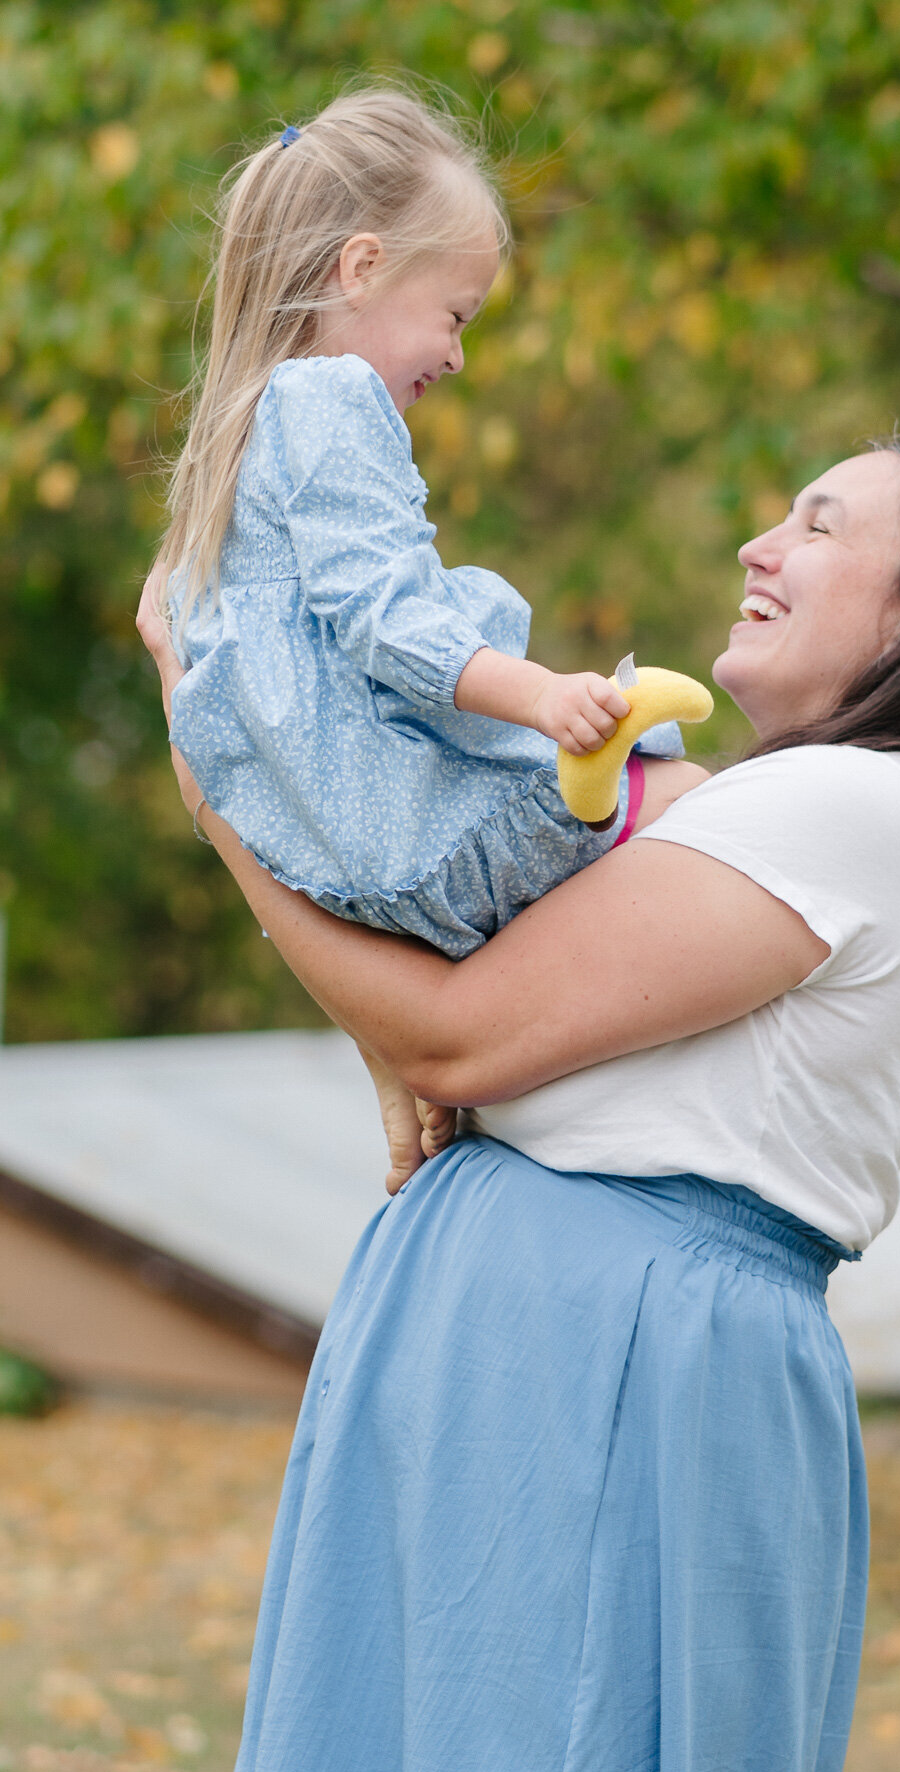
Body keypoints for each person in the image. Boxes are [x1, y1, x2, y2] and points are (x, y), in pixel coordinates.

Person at [138, 435, 900, 1772]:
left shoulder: (857, 800)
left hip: (609, 1353)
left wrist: (213, 777)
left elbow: (458, 1032)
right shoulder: (744, 802)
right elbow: (435, 988)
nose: (759, 546)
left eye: (815, 525)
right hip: (523, 1331)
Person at [159, 84, 700, 1177]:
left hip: (353, 874)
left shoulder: (226, 466)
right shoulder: (327, 400)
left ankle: (407, 1079)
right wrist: (545, 697)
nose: (456, 356)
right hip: (425, 833)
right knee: (679, 794)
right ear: (360, 268)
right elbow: (386, 616)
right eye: (455, 314)